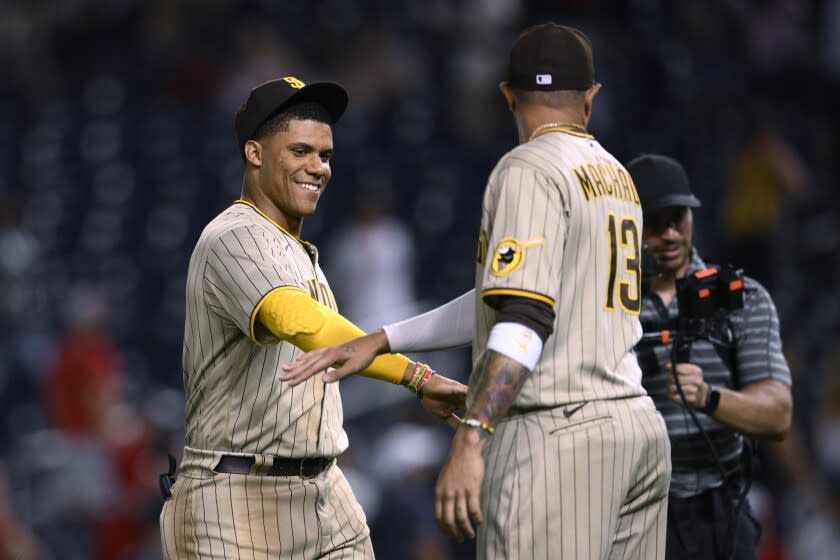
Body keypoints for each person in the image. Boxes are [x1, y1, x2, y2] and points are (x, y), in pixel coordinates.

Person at [282, 24, 672, 559]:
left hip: (561, 435)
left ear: (508, 95)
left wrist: (471, 436)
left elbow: (523, 318)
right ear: (591, 96)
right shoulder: (616, 177)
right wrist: (385, 338)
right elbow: (505, 296)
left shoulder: (530, 168)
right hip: (637, 431)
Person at [158, 75, 467, 559]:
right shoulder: (233, 236)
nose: (317, 167)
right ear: (255, 153)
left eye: (324, 155)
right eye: (300, 151)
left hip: (325, 490)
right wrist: (417, 376)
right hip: (238, 500)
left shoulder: (298, 251)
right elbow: (304, 324)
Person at [625, 153, 793, 560]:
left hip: (723, 511)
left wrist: (709, 397)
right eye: (654, 220)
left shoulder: (740, 299)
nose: (669, 234)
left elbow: (778, 414)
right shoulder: (602, 308)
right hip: (634, 513)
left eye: (677, 217)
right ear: (626, 226)